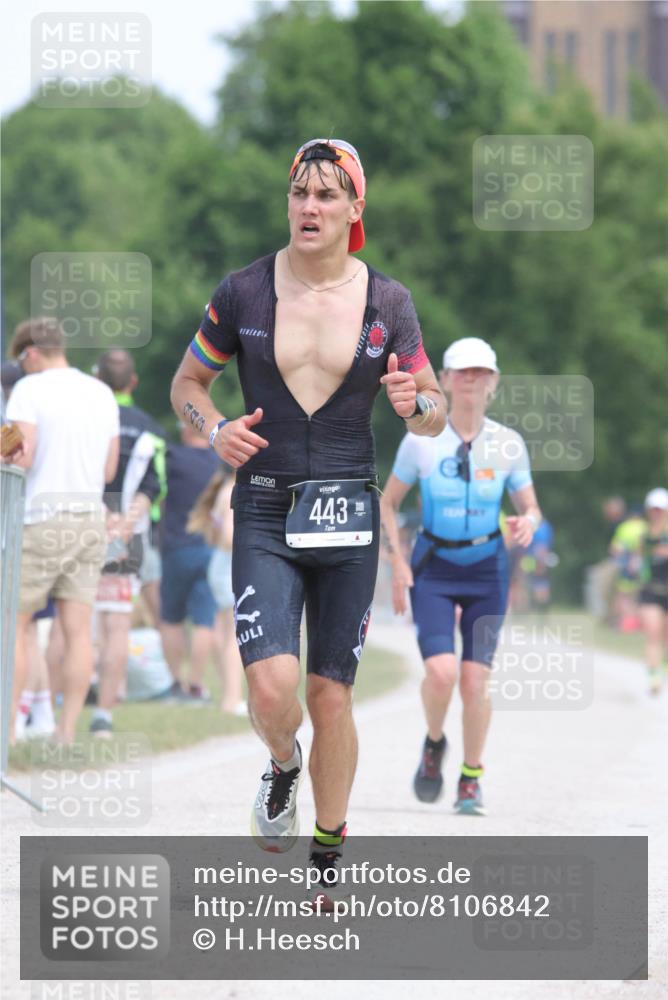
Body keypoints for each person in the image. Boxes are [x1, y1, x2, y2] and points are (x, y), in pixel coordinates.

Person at [169, 137, 446, 903]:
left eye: (326, 195)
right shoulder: (246, 291)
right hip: (262, 507)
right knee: (270, 691)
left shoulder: (388, 303)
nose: (309, 207)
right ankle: (283, 763)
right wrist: (211, 426)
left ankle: (327, 850)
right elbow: (188, 381)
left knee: (331, 693)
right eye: (300, 194)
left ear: (355, 209)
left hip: (348, 517)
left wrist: (417, 405)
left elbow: (433, 411)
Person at [380, 337, 541, 815]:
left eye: (481, 373)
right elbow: (387, 502)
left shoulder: (508, 444)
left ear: (493, 382)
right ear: (445, 381)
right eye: (462, 372)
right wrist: (398, 562)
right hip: (434, 566)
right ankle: (434, 744)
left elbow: (529, 506)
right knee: (441, 671)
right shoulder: (420, 441)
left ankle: (471, 777)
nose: (472, 380)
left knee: (474, 681)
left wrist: (528, 522)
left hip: (487, 568)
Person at [4, 318, 119, 744]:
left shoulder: (29, 390)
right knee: (77, 631)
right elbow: (109, 470)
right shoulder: (101, 392)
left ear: (31, 352)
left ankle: (9, 732)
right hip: (90, 516)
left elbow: (21, 455)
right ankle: (66, 732)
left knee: (13, 625)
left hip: (40, 516)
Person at [90, 349, 165, 736]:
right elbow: (156, 487)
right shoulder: (150, 429)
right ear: (132, 383)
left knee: (70, 625)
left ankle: (46, 713)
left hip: (78, 529)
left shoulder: (85, 419)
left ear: (97, 380)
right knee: (117, 625)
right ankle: (104, 712)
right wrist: (125, 522)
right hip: (126, 538)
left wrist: (103, 516)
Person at [159, 422, 221, 702]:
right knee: (204, 621)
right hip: (208, 548)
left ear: (185, 430)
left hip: (175, 547)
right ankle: (196, 686)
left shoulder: (171, 458)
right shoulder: (219, 464)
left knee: (171, 618)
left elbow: (158, 497)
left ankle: (176, 683)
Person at [187, 467, 247, 715]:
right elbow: (227, 537)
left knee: (225, 635)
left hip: (220, 565)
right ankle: (233, 699)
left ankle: (229, 696)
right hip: (229, 566)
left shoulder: (223, 489)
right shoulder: (233, 491)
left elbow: (215, 535)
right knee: (235, 636)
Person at [637, 488, 668, 695]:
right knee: (653, 634)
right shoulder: (644, 535)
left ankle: (661, 669)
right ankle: (653, 677)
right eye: (654, 509)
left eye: (660, 509)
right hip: (650, 590)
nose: (657, 513)